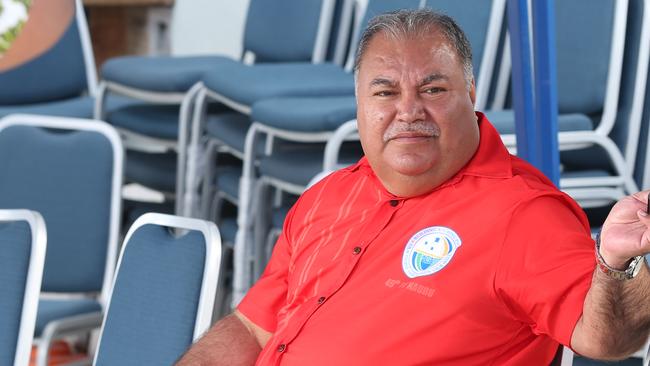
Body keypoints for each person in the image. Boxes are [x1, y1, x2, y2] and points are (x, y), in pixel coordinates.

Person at [177, 9, 650, 365]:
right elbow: (252, 328)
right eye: (385, 92)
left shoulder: (522, 213)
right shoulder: (329, 195)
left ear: (470, 94)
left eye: (433, 89)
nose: (409, 111)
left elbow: (607, 339)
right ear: (359, 103)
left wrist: (619, 263)